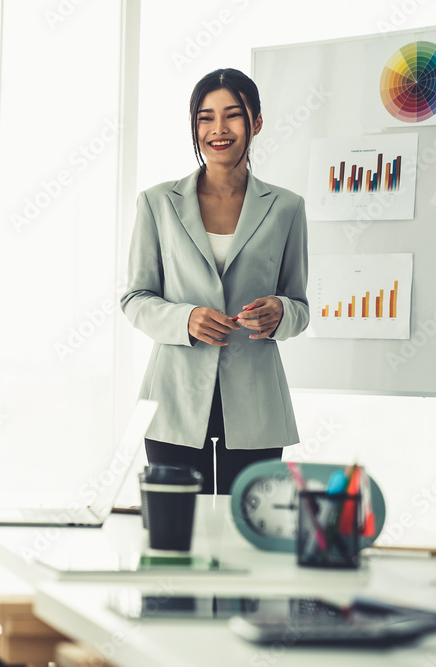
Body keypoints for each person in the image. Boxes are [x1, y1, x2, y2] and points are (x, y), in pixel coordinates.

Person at [120, 68, 309, 495]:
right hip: (174, 401)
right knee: (176, 538)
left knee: (247, 538)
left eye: (232, 116)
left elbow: (300, 306)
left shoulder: (287, 208)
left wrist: (281, 312)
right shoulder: (157, 203)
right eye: (205, 118)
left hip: (257, 403)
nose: (218, 129)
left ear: (256, 122)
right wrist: (185, 319)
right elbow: (134, 297)